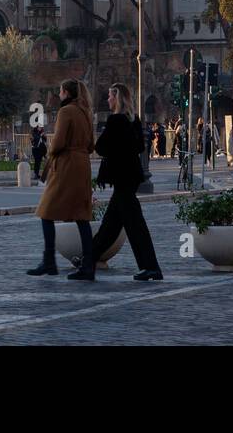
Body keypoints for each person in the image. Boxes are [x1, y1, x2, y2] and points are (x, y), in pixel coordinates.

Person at [81, 82, 162, 282]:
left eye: (110, 96)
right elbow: (137, 147)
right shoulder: (133, 120)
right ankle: (87, 262)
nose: (107, 99)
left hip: (122, 178)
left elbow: (100, 147)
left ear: (117, 98)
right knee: (110, 226)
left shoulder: (116, 120)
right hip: (130, 177)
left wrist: (114, 149)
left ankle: (151, 267)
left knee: (135, 226)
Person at [28, 79, 95, 278]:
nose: (59, 95)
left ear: (66, 92)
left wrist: (51, 148)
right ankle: (89, 265)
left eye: (60, 91)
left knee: (46, 211)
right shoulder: (86, 112)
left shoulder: (66, 112)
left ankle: (49, 262)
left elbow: (58, 143)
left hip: (66, 165)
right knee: (82, 216)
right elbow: (92, 145)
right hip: (83, 164)